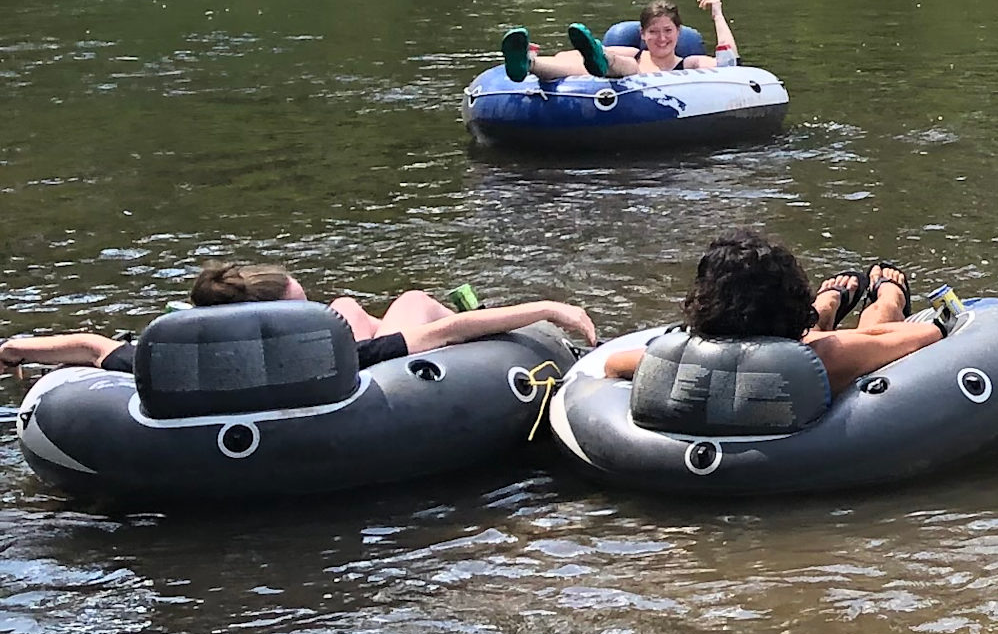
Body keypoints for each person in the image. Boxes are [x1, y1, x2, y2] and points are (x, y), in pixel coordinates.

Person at [6, 261, 604, 378]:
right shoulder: (326, 358)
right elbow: (443, 334)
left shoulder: (172, 362)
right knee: (417, 303)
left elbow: (88, 346)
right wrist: (550, 308)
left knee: (351, 308)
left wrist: (14, 349)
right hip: (361, 375)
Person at [587, 229, 943, 395]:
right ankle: (885, 301)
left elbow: (612, 364)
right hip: (814, 353)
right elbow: (928, 335)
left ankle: (827, 306)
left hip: (727, 359)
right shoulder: (822, 357)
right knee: (875, 329)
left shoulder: (671, 359)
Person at [510, 0, 737, 85]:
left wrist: (717, 14)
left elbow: (730, 64)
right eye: (653, 32)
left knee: (628, 67)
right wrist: (539, 54)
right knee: (624, 63)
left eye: (668, 31)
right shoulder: (636, 53)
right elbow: (567, 58)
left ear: (679, 32)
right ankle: (528, 63)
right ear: (642, 34)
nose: (661, 39)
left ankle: (601, 58)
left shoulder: (689, 63)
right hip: (618, 78)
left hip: (650, 90)